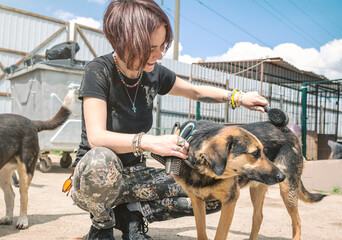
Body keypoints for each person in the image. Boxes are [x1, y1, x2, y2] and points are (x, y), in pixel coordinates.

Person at [71, 0, 269, 239]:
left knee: (210, 191)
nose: (159, 54)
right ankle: (102, 225)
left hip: (133, 174)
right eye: (151, 47)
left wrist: (237, 96)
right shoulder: (98, 71)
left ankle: (131, 215)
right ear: (123, 40)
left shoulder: (153, 73)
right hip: (94, 177)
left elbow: (195, 92)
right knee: (101, 159)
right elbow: (96, 137)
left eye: (162, 45)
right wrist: (150, 142)